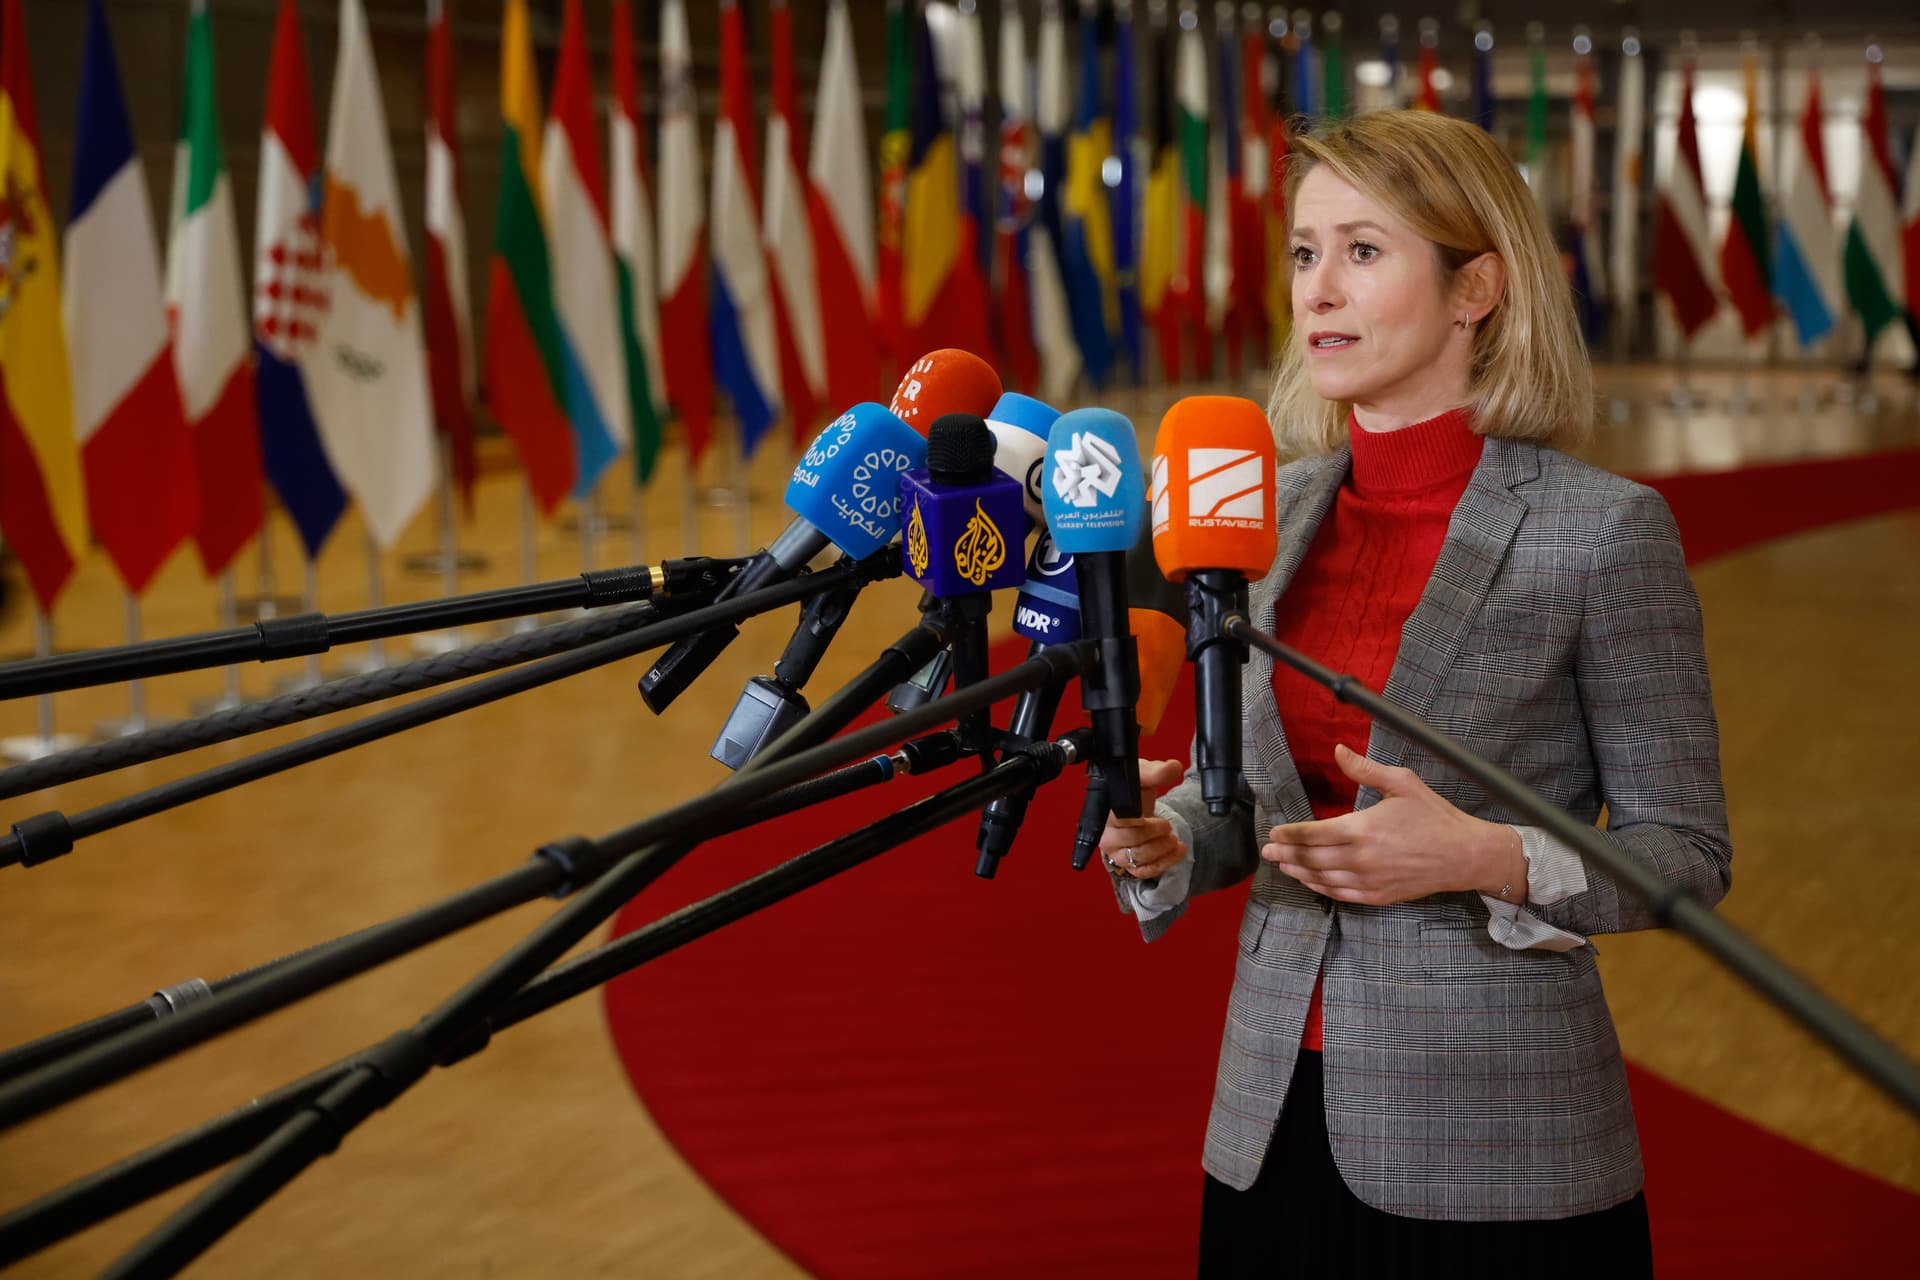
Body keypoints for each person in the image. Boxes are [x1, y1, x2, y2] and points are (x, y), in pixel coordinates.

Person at [1099, 109, 1731, 1277]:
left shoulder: (1603, 534)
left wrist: (1485, 855)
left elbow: (1684, 851)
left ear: (1475, 286)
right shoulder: (1263, 519)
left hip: (1498, 1149)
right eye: (1302, 251)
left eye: (1364, 250)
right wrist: (1170, 835)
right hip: (1266, 1122)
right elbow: (1248, 800)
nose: (1318, 289)